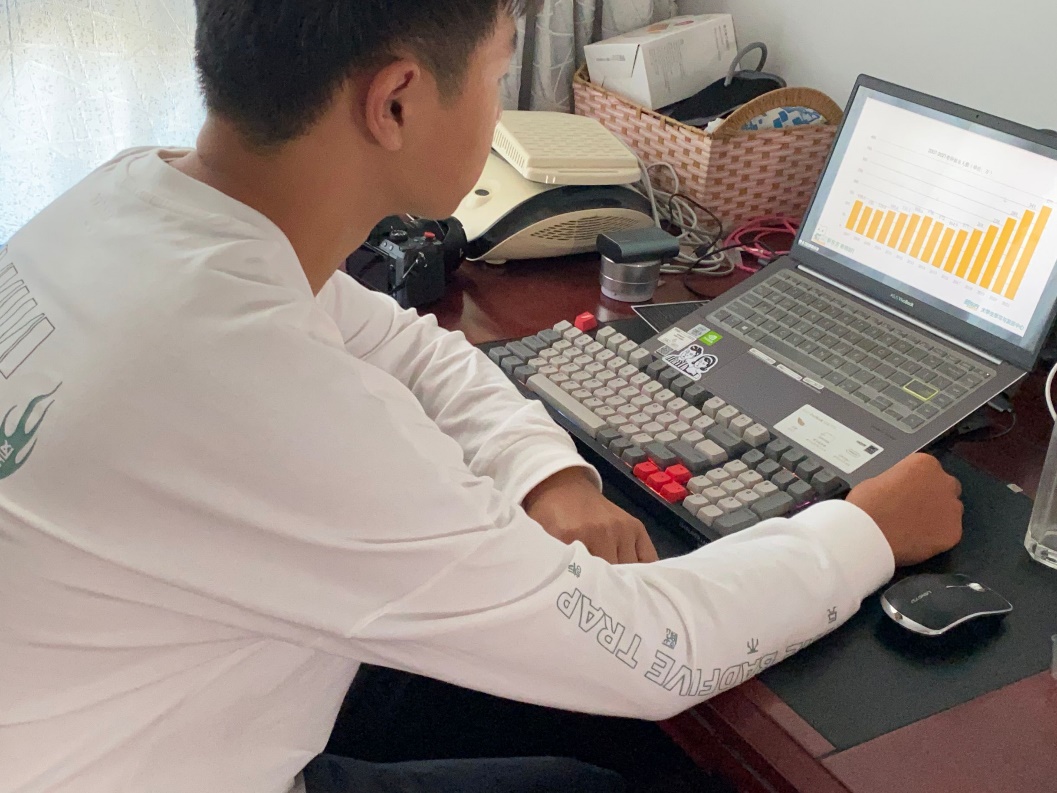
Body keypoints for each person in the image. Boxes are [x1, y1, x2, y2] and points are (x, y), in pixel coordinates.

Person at [0, 1, 964, 792]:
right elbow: (653, 653)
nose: (502, 108)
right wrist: (869, 530)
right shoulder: (255, 389)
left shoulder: (136, 202)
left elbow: (406, 344)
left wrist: (545, 471)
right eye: (500, 76)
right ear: (396, 102)